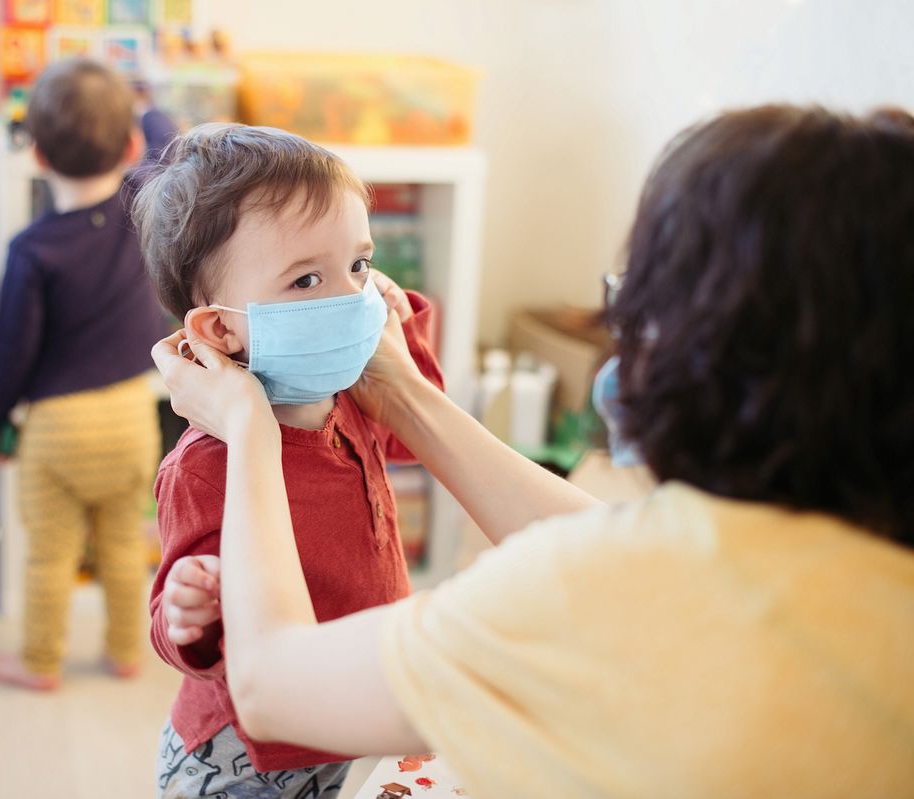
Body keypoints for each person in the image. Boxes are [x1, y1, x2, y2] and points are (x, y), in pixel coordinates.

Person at [151, 105, 914, 798]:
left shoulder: (580, 593)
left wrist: (252, 424)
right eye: (304, 279)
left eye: (634, 297)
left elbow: (276, 684)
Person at [129, 124, 445, 797]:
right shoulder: (207, 464)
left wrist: (397, 324)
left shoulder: (348, 396)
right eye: (307, 278)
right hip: (247, 755)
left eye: (358, 265)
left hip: (347, 709)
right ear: (220, 328)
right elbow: (175, 623)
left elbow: (416, 433)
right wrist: (187, 612)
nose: (346, 295)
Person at [0, 58, 176, 690]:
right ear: (130, 146)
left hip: (56, 431)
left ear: (36, 154)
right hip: (129, 421)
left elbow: (11, 349)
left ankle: (40, 661)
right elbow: (167, 141)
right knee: (122, 547)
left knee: (51, 555)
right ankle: (124, 651)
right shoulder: (142, 207)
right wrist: (147, 103)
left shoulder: (32, 249)